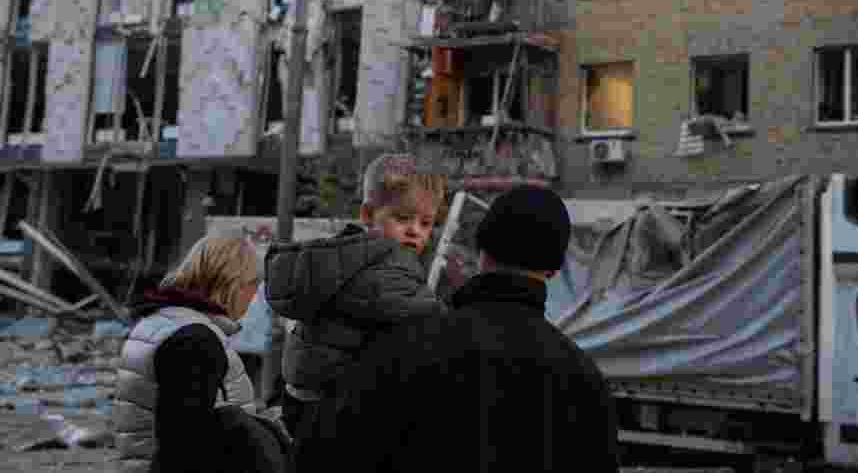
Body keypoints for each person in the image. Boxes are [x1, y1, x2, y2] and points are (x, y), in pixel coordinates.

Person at [297, 186, 620, 473]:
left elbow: (325, 455)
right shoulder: (584, 380)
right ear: (554, 269)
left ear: (481, 251)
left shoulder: (404, 346)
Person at [264, 153, 461, 441]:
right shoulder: (387, 267)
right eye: (403, 218)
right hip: (345, 416)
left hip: (305, 404)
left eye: (426, 223)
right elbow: (428, 318)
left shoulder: (337, 258)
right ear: (368, 214)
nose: (415, 231)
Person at [113, 234, 289, 473]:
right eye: (254, 285)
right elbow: (184, 443)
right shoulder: (195, 340)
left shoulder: (163, 322)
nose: (254, 298)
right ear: (234, 283)